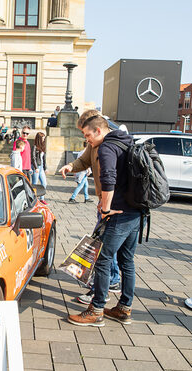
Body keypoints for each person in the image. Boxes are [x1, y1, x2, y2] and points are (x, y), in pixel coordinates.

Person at [60, 111, 138, 326]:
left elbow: (109, 179)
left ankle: (96, 310)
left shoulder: (106, 146)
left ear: (98, 129)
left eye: (87, 135)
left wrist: (105, 208)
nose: (87, 140)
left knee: (103, 261)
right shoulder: (126, 140)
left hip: (118, 213)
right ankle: (124, 308)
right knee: (127, 261)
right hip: (135, 211)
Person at [31, 131, 48, 204]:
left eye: (44, 138)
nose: (43, 140)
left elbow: (44, 159)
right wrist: (35, 167)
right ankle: (33, 198)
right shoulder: (34, 147)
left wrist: (45, 168)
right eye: (42, 138)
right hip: (36, 166)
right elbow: (33, 157)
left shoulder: (43, 147)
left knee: (44, 183)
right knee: (34, 183)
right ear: (39, 139)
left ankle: (42, 198)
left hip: (41, 167)